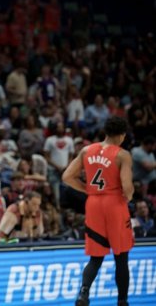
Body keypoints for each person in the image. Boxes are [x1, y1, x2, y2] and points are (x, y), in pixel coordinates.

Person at [62, 116, 134, 306]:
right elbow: (127, 187)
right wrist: (131, 196)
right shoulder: (122, 154)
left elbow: (67, 176)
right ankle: (122, 301)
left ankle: (83, 293)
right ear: (121, 135)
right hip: (114, 204)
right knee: (121, 257)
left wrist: (87, 189)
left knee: (96, 256)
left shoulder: (86, 150)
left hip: (93, 203)